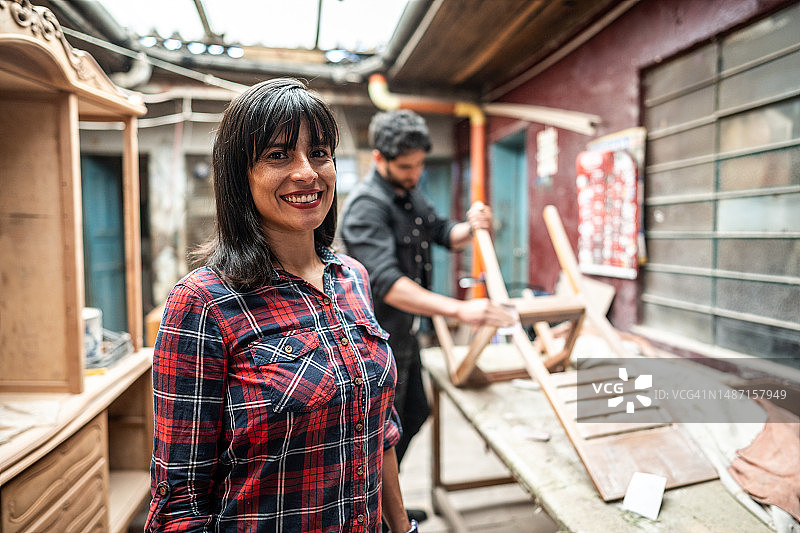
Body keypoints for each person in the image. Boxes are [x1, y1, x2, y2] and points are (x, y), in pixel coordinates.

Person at [147, 78, 417, 533]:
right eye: (278, 155)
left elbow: (380, 434)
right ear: (239, 175)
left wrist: (403, 527)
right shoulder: (203, 303)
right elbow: (180, 502)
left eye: (319, 153)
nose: (307, 173)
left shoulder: (352, 278)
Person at [339, 109, 514, 520]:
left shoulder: (410, 191)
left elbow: (440, 231)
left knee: (416, 412)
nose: (416, 173)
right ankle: (374, 515)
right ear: (379, 159)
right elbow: (388, 283)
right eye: (406, 166)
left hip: (405, 335)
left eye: (420, 165)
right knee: (377, 436)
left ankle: (386, 505)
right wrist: (459, 309)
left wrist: (470, 227)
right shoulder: (367, 207)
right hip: (374, 343)